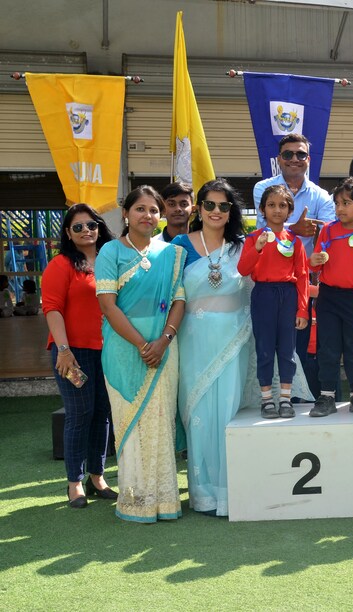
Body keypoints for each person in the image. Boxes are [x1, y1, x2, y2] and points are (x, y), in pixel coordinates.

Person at [96, 186, 186, 523]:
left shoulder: (172, 253)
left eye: (153, 210)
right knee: (130, 425)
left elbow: (179, 300)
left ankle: (165, 500)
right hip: (124, 349)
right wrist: (141, 345)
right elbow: (108, 306)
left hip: (165, 348)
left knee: (161, 422)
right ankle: (136, 501)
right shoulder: (110, 251)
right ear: (126, 213)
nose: (147, 215)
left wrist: (164, 340)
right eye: (140, 209)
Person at [173, 179, 249, 517]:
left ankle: (232, 492)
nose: (216, 211)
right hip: (193, 341)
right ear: (198, 208)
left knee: (228, 410)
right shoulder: (179, 245)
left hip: (234, 340)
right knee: (198, 413)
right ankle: (203, 494)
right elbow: (170, 293)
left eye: (223, 206)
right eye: (209, 205)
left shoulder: (242, 247)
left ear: (231, 211)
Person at [42, 204, 116, 509]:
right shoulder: (60, 265)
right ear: (68, 234)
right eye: (78, 227)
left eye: (92, 225)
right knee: (79, 414)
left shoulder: (111, 260)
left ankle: (97, 477)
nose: (87, 230)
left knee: (102, 414)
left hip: (108, 351)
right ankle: (75, 482)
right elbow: (52, 309)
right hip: (72, 354)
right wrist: (64, 350)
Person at [253, 134, 335, 394]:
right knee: (268, 347)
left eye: (301, 154)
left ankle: (297, 400)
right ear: (279, 159)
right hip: (268, 283)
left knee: (300, 347)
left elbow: (327, 233)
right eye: (288, 154)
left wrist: (288, 228)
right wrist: (295, 229)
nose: (294, 159)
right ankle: (270, 397)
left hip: (304, 281)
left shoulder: (322, 195)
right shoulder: (262, 188)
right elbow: (262, 230)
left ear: (308, 159)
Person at [308, 177, 353, 417]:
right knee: (328, 348)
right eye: (337, 203)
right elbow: (315, 266)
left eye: (346, 203)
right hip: (328, 297)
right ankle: (326, 396)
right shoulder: (327, 230)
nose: (340, 208)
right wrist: (314, 261)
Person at [238, 185, 310, 419]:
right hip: (263, 295)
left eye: (282, 205)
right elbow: (243, 269)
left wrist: (302, 309)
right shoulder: (253, 239)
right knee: (265, 348)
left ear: (290, 211)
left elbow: (303, 276)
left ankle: (285, 399)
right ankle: (267, 399)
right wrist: (257, 248)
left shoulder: (294, 241)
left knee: (288, 350)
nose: (277, 210)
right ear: (262, 209)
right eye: (271, 205)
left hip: (288, 296)